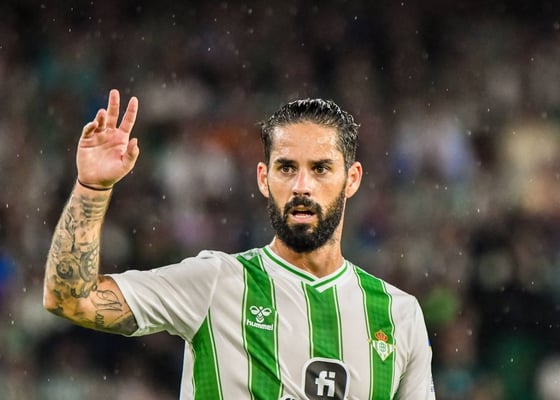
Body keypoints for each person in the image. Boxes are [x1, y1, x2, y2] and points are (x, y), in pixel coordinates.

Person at [43, 89, 436, 399]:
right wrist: (92, 187)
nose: (301, 186)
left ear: (352, 179)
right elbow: (70, 299)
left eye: (320, 168)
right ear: (264, 178)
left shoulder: (398, 315)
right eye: (287, 168)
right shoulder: (214, 283)